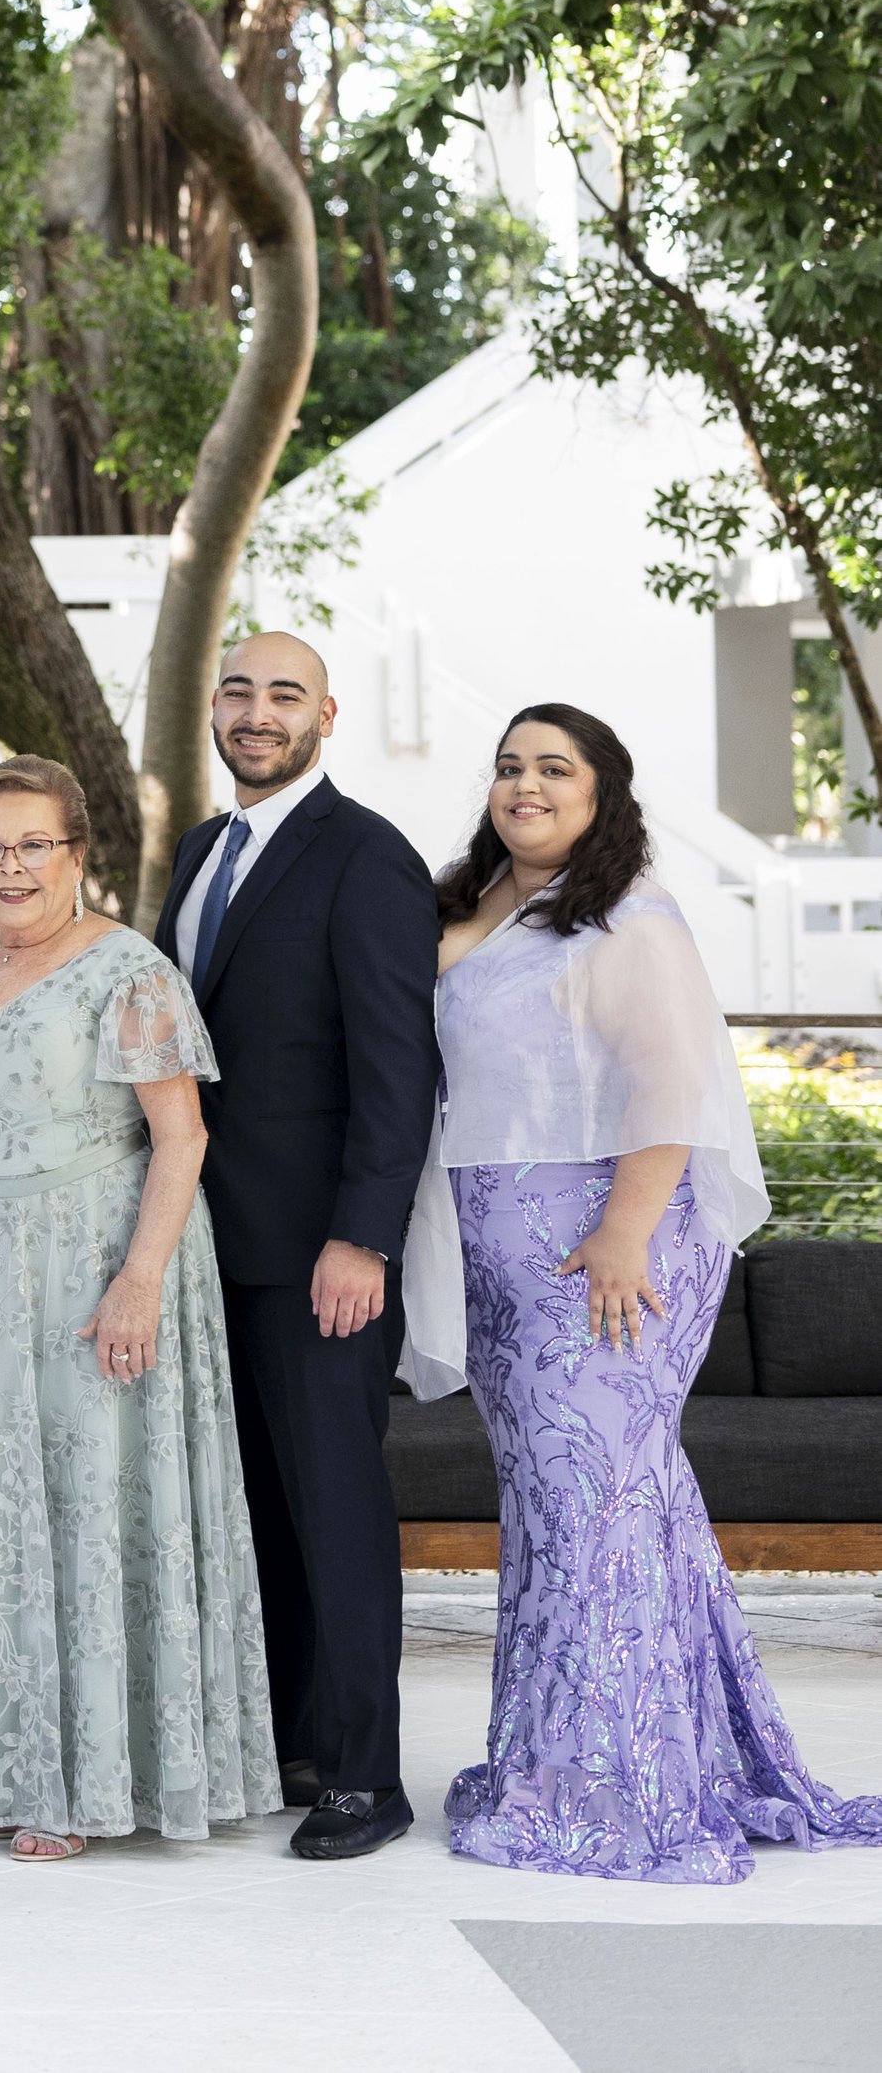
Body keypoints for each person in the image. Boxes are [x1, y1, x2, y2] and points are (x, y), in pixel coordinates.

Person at [406, 702, 882, 1883]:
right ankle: (623, 1757)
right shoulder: (469, 904)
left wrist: (623, 1234)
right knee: (588, 1510)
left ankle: (609, 1790)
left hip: (604, 1250)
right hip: (497, 1257)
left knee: (593, 1511)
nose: (524, 784)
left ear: (602, 792)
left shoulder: (630, 916)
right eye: (510, 766)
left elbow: (672, 1080)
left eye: (552, 768)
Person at [0, 758, 275, 1857]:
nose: (11, 867)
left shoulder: (127, 970)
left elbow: (182, 1135)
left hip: (94, 1256)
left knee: (89, 1504)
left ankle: (84, 1781)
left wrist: (138, 1278)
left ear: (76, 853)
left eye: (33, 845)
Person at [151, 631, 437, 1862]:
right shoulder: (201, 851)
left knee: (334, 1507)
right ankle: (294, 1742)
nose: (256, 713)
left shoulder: (366, 857)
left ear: (326, 714)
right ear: (213, 709)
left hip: (322, 1255)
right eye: (237, 691)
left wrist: (362, 1237)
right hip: (207, 1245)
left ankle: (367, 1778)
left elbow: (398, 1068)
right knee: (257, 1511)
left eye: (282, 694)